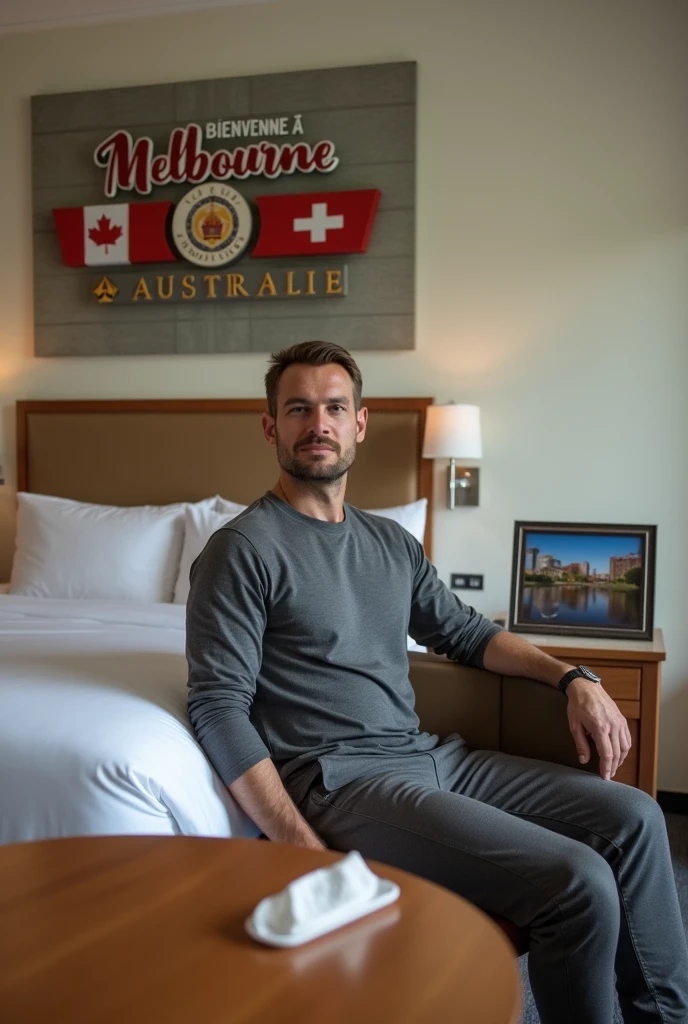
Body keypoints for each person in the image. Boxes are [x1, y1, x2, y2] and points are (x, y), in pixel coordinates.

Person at [186, 340, 688, 1023]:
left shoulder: (391, 544)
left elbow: (467, 634)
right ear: (271, 426)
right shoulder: (243, 549)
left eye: (334, 407)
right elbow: (218, 706)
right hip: (346, 782)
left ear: (360, 423)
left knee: (635, 817)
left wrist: (572, 676)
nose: (318, 424)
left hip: (430, 756)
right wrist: (299, 847)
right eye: (298, 408)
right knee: (578, 883)